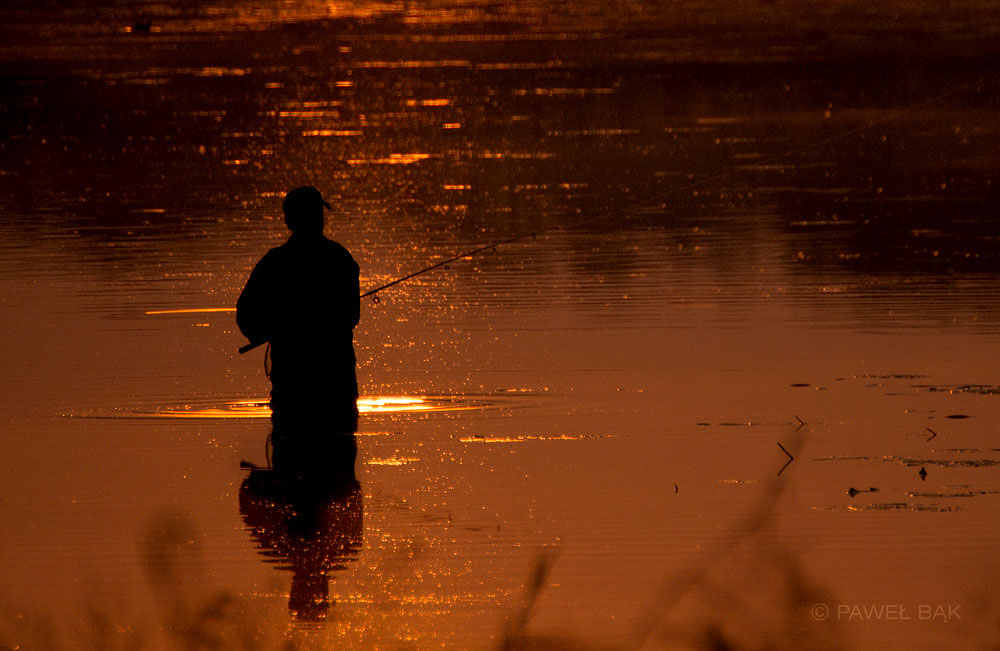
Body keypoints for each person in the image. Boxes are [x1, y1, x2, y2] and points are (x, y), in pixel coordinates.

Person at [237, 186, 361, 468]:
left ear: (288, 221)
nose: (321, 218)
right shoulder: (341, 260)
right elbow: (351, 316)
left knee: (291, 467)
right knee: (338, 472)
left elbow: (245, 315)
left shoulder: (273, 263)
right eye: (318, 213)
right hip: (336, 385)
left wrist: (272, 328)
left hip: (292, 386)